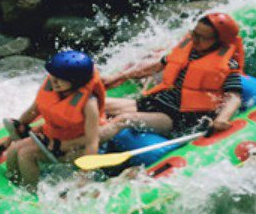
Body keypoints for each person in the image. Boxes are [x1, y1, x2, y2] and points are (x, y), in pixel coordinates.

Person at [102, 12, 245, 140]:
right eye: (194, 34)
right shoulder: (188, 50)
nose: (195, 40)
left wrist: (222, 119)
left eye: (202, 38)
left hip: (177, 117)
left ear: (218, 42)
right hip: (157, 103)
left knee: (123, 119)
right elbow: (154, 67)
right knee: (99, 103)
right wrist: (118, 77)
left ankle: (85, 146)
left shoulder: (228, 66)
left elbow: (234, 97)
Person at [0, 50, 105, 188]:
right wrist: (9, 139)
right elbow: (32, 111)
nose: (53, 80)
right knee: (14, 149)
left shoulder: (89, 104)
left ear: (76, 81)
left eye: (60, 78)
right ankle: (11, 183)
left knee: (26, 154)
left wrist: (84, 175)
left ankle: (31, 193)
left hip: (75, 147)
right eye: (53, 75)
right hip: (50, 138)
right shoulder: (53, 86)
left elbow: (92, 142)